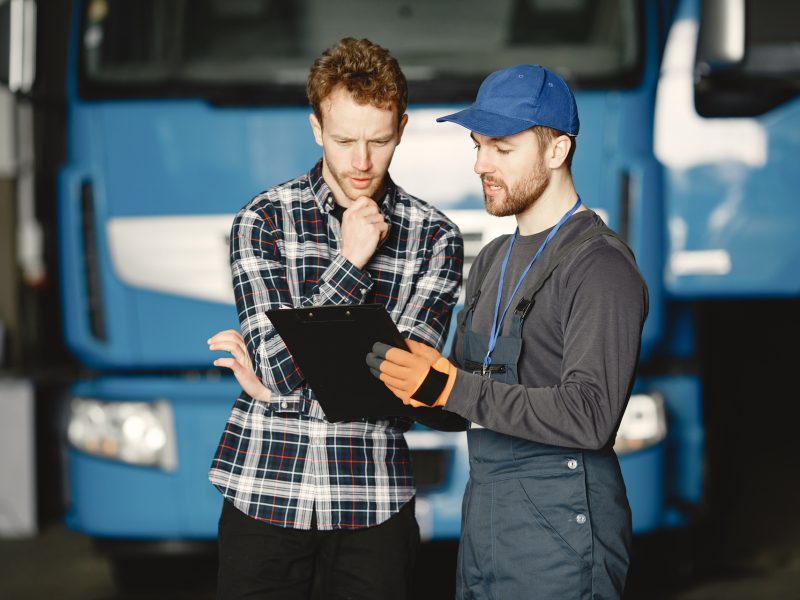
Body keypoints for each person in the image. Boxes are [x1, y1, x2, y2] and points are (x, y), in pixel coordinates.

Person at [367, 64, 649, 599]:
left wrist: (450, 386)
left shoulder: (600, 267)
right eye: (477, 146)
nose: (480, 165)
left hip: (563, 537)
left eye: (501, 147)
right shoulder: (493, 258)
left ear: (557, 151)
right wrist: (411, 384)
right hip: (486, 529)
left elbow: (591, 418)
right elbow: (463, 404)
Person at [206, 38, 463, 600]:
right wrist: (351, 262)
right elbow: (278, 371)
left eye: (378, 140)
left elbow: (399, 385)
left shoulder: (436, 237)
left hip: (374, 500)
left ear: (402, 128)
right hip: (265, 491)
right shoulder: (262, 220)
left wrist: (288, 375)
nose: (361, 162)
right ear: (317, 128)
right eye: (344, 140)